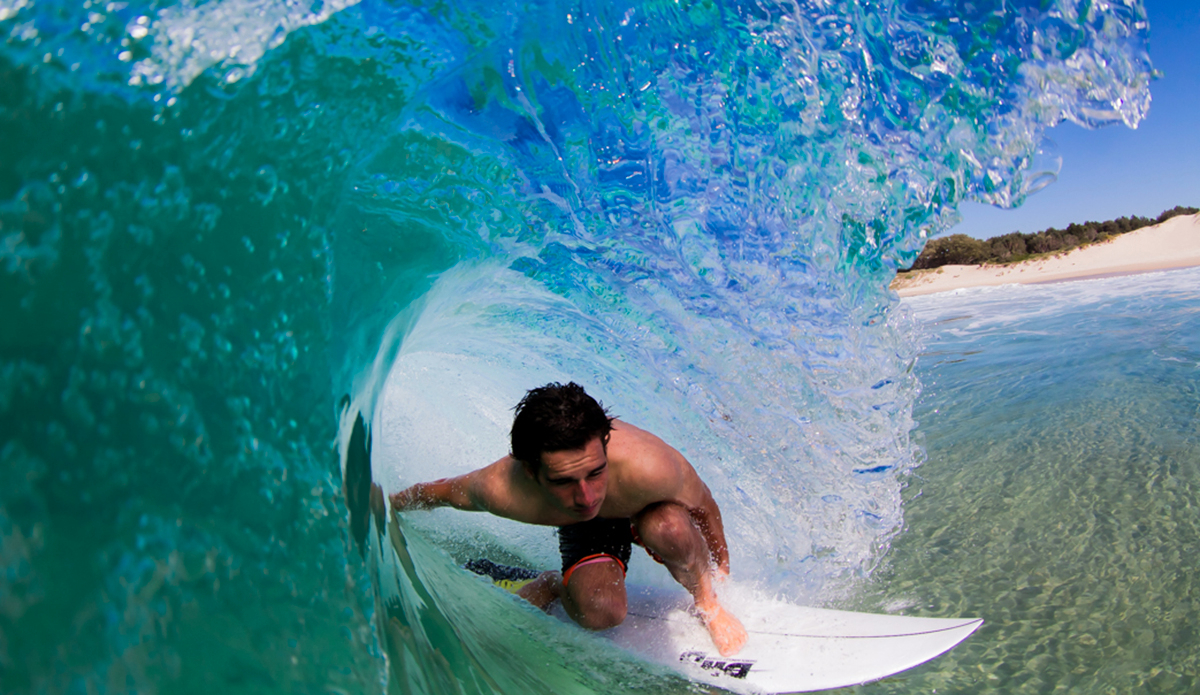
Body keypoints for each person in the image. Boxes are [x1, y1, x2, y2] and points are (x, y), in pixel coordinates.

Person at [389, 381, 747, 656]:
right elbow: (437, 492)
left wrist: (720, 570)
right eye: (563, 482)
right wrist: (388, 504)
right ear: (530, 471)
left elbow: (704, 506)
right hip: (586, 532)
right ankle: (553, 584)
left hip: (642, 507)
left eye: (595, 472)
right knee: (600, 614)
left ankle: (707, 603)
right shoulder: (500, 488)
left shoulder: (650, 467)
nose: (587, 497)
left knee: (669, 528)